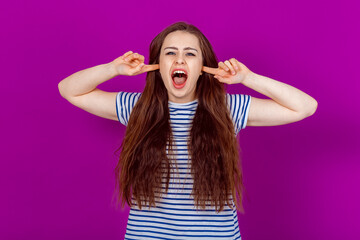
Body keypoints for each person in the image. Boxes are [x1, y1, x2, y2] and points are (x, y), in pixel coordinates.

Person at [58, 22, 317, 240]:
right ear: (158, 64)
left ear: (203, 67)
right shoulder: (137, 108)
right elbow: (68, 89)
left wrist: (248, 78)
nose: (180, 59)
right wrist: (113, 68)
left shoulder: (228, 109)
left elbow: (305, 107)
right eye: (170, 53)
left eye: (190, 54)